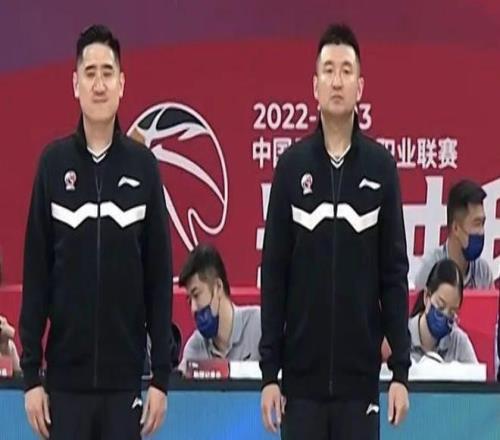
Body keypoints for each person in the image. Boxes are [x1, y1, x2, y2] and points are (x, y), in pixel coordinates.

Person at [19, 24, 173, 440]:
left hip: (126, 385)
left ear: (122, 83)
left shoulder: (143, 167)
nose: (99, 84)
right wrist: (31, 377)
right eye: (90, 73)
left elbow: (159, 278)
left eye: (108, 73)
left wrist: (161, 377)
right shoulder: (52, 166)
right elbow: (36, 275)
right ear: (75, 84)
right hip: (64, 386)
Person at [259, 23, 410, 439]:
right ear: (315, 85)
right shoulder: (291, 168)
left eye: (346, 71)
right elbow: (274, 273)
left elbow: (394, 276)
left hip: (359, 386)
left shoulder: (381, 169)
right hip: (300, 388)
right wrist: (269, 373)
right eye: (328, 71)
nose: (337, 81)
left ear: (360, 87)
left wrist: (400, 370)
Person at [178, 244, 261, 372]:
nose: (193, 308)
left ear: (218, 287)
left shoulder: (260, 327)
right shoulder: (194, 349)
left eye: (197, 295)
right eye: (189, 300)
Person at [414, 180, 493, 291]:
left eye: (482, 224)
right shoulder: (431, 270)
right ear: (456, 228)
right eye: (477, 224)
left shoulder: (483, 273)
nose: (481, 232)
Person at [409, 259, 477, 363]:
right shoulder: (402, 335)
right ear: (427, 297)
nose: (445, 314)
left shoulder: (459, 342)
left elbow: (474, 372)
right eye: (441, 306)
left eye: (452, 312)